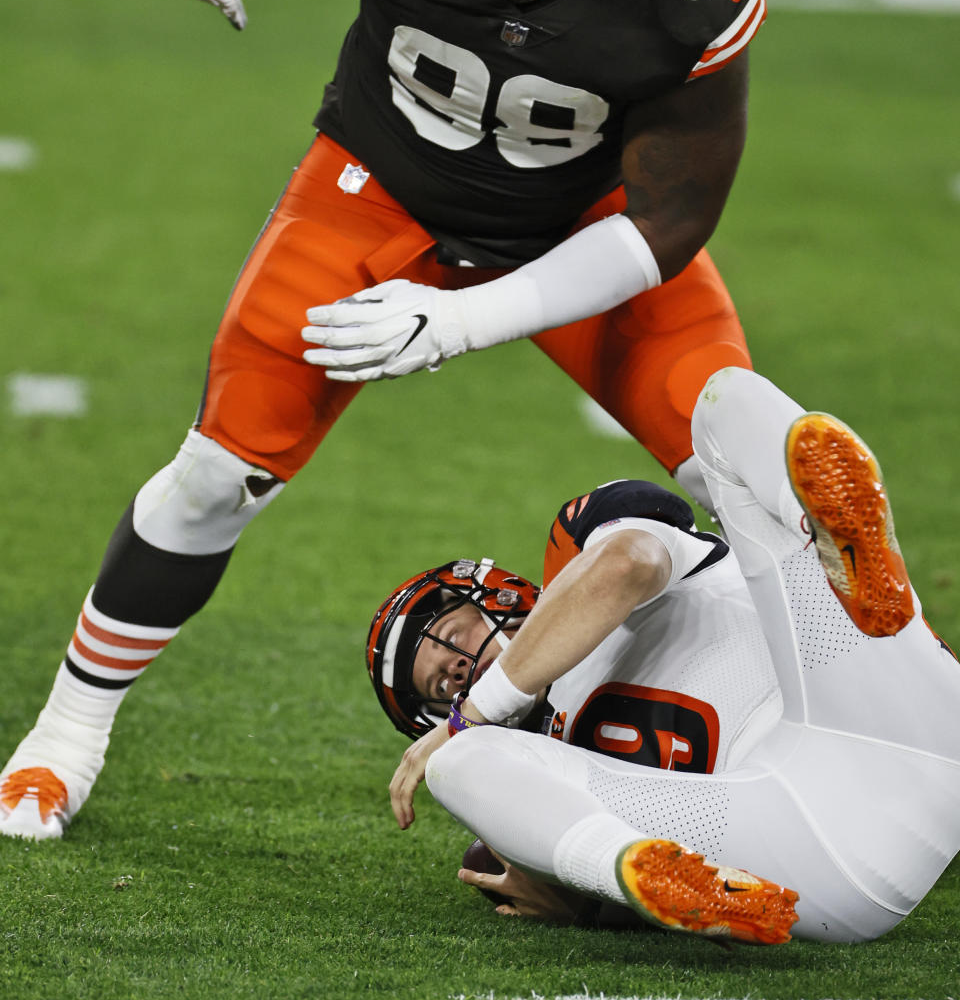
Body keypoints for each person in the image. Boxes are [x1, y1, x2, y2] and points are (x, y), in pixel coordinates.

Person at [0, 0, 765, 841]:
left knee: (767, 483)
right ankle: (68, 731)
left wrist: (462, 321)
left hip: (583, 223)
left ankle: (893, 725)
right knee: (215, 474)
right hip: (379, 190)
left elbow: (666, 226)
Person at [372, 367, 960, 945]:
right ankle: (621, 869)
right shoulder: (532, 778)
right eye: (439, 688)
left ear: (497, 591)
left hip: (862, 695)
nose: (452, 669)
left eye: (450, 632)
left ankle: (845, 539)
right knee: (460, 765)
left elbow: (629, 563)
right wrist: (582, 896)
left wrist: (471, 712)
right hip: (807, 842)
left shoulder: (582, 556)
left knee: (722, 402)